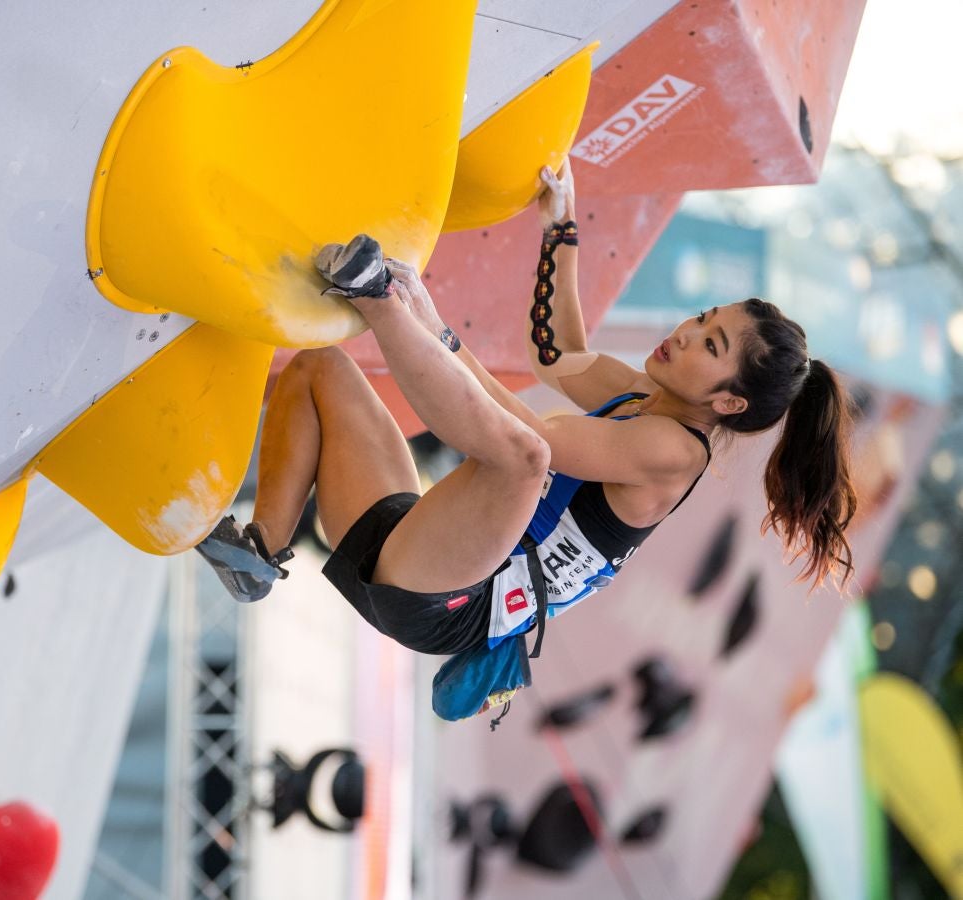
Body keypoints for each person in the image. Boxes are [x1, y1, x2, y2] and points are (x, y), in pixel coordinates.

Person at [196, 160, 857, 718]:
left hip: (451, 601)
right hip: (419, 547)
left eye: (710, 344)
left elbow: (526, 442)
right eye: (704, 316)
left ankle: (376, 302)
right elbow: (556, 349)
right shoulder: (639, 395)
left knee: (527, 457)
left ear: (728, 401)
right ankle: (260, 555)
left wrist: (424, 324)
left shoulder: (675, 453)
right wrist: (561, 223)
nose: (685, 332)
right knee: (321, 372)